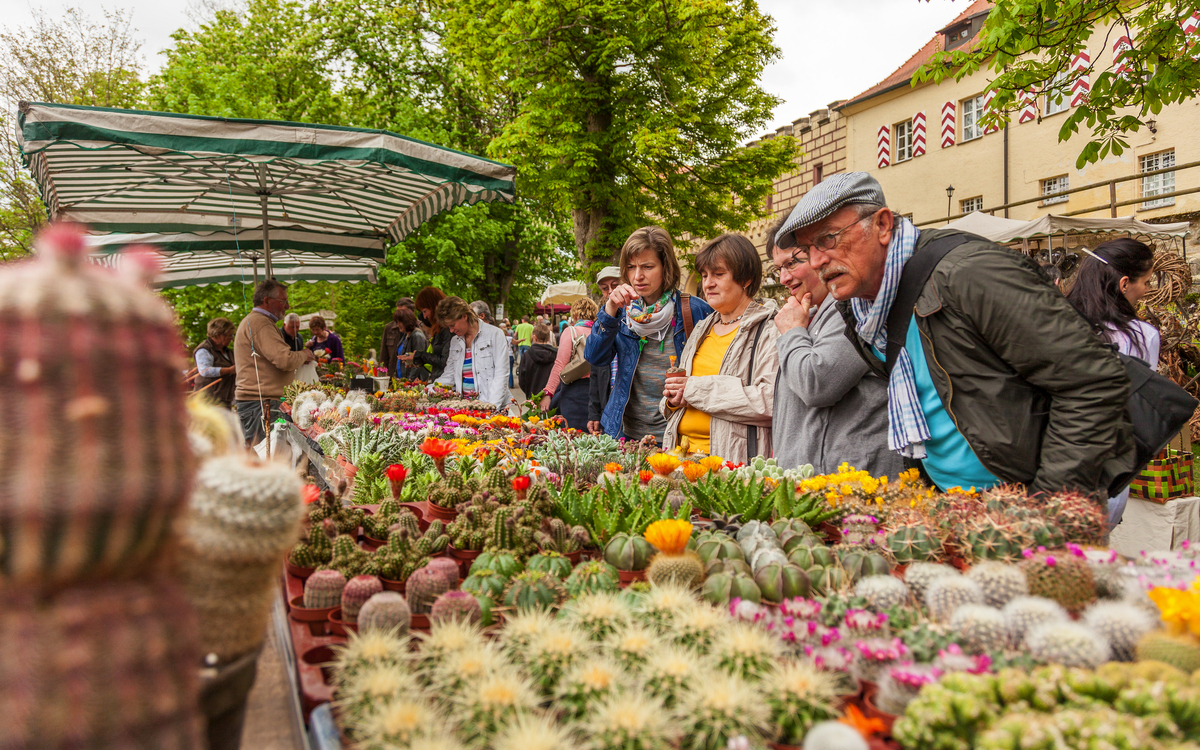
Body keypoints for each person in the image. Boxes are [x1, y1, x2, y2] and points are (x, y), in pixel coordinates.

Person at [774, 172, 1134, 496]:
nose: (818, 261)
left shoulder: (969, 272)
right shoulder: (862, 308)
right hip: (949, 505)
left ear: (883, 225)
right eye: (809, 250)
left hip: (1020, 503)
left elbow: (1092, 382)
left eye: (829, 239)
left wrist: (1046, 503)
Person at [769, 216, 901, 477]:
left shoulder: (852, 306)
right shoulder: (816, 312)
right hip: (812, 482)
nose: (784, 278)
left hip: (851, 484)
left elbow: (817, 384)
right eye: (778, 269)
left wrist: (793, 331)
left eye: (792, 263)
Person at [585, 225, 714, 442]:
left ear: (666, 267)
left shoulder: (694, 310)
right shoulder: (622, 312)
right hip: (625, 433)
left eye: (647, 266)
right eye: (630, 267)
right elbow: (595, 356)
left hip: (676, 434)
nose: (638, 276)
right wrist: (609, 311)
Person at [658, 234, 778, 461]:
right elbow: (684, 394)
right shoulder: (703, 328)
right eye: (704, 275)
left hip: (728, 465)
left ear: (746, 279)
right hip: (680, 457)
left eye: (718, 274)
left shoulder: (769, 329)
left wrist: (693, 389)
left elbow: (769, 401)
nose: (707, 283)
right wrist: (673, 400)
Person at [1066, 238, 1159, 525]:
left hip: (1045, 462)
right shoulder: (1141, 335)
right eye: (1146, 281)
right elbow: (1139, 403)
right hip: (1105, 465)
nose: (1147, 290)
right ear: (1124, 283)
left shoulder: (1057, 322)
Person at [233, 280, 315, 445]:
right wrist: (304, 355)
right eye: (283, 301)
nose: (287, 306)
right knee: (267, 459)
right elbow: (284, 360)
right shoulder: (260, 323)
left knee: (266, 456)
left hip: (261, 403)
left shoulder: (259, 321)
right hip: (261, 405)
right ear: (267, 301)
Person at [435, 296, 515, 412]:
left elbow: (501, 375)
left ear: (464, 316)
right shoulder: (455, 341)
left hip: (494, 410)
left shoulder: (495, 334)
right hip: (465, 410)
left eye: (452, 325)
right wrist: (428, 389)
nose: (451, 330)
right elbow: (449, 375)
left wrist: (490, 409)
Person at [540, 299, 598, 429]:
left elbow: (560, 364)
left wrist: (548, 393)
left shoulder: (571, 331)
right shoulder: (601, 332)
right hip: (597, 390)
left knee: (573, 434)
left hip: (575, 391)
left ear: (576, 315)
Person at [588, 266, 623, 435]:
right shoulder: (603, 322)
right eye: (605, 288)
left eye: (615, 285)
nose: (610, 292)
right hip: (609, 407)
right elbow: (595, 372)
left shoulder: (638, 318)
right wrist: (594, 413)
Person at [402, 287, 451, 380]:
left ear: (433, 306)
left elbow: (445, 361)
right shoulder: (440, 329)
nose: (425, 316)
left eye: (425, 311)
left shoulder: (448, 329)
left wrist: (420, 356)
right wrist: (418, 360)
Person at [194, 317, 237, 408]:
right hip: (207, 402)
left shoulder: (228, 352)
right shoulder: (204, 350)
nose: (231, 338)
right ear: (218, 335)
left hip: (224, 400)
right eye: (229, 335)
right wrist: (229, 370)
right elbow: (204, 371)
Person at [519, 323, 557, 398]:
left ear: (534, 338)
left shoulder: (527, 355)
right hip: (552, 396)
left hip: (533, 395)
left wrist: (529, 392)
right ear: (549, 338)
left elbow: (522, 379)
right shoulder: (556, 354)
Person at [394, 307, 429, 381]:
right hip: (403, 379)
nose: (397, 325)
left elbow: (418, 362)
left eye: (398, 322)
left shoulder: (417, 336)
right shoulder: (405, 335)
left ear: (405, 321)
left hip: (414, 382)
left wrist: (410, 380)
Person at [380, 299, 410, 377]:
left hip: (410, 376)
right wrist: (383, 371)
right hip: (392, 374)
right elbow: (384, 354)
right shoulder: (389, 328)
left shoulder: (419, 329)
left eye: (402, 313)